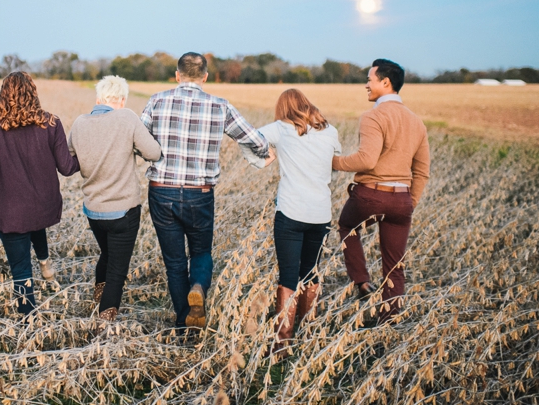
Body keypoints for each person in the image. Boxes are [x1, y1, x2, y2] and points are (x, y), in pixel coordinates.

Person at [142, 52, 270, 329]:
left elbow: (138, 140)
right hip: (199, 193)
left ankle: (182, 324)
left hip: (161, 191)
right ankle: (198, 286)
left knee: (174, 262)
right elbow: (257, 140)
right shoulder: (219, 106)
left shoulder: (157, 101)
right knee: (200, 252)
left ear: (177, 75)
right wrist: (263, 152)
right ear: (205, 77)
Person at [0, 72, 79, 316]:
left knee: (20, 269)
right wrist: (87, 157)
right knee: (33, 222)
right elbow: (67, 167)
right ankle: (45, 263)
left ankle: (26, 320)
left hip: (11, 209)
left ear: (4, 93)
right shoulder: (52, 122)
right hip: (44, 204)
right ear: (33, 92)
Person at [333, 59, 431, 324]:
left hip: (370, 196)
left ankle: (361, 282)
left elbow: (366, 160)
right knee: (394, 265)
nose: (366, 84)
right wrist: (410, 202)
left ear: (385, 82)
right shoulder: (416, 121)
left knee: (346, 227)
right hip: (401, 200)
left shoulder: (373, 116)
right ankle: (387, 325)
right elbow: (422, 171)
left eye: (370, 79)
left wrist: (334, 162)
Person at [243, 89, 341, 356]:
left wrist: (262, 161)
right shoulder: (329, 130)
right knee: (311, 271)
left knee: (288, 275)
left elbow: (246, 139)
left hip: (290, 212)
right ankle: (309, 333)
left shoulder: (280, 128)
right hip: (320, 214)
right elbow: (332, 162)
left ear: (284, 108)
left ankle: (282, 344)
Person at [67, 76, 161, 322]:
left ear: (98, 99)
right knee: (117, 269)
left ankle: (98, 298)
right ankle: (104, 324)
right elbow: (154, 152)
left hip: (94, 211)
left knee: (107, 255)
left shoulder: (79, 123)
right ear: (122, 100)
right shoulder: (127, 117)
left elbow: (69, 157)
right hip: (123, 210)